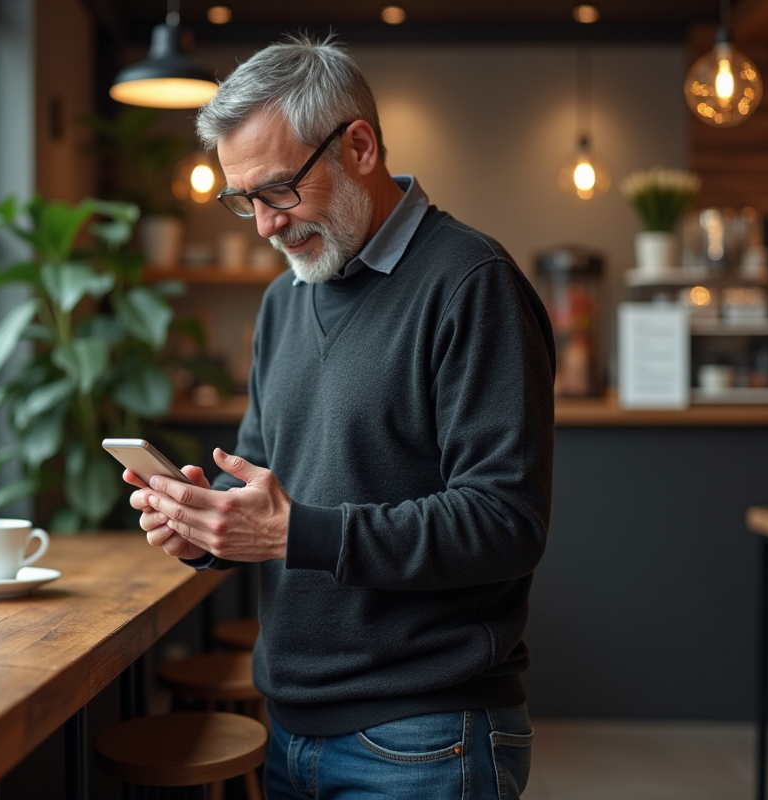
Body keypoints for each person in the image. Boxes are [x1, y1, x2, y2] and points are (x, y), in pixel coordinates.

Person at [121, 33, 555, 799]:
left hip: (427, 736)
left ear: (359, 146)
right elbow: (265, 484)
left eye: (278, 190)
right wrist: (208, 530)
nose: (262, 225)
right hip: (291, 726)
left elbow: (504, 522)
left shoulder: (471, 283)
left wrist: (294, 531)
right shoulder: (282, 300)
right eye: (243, 200)